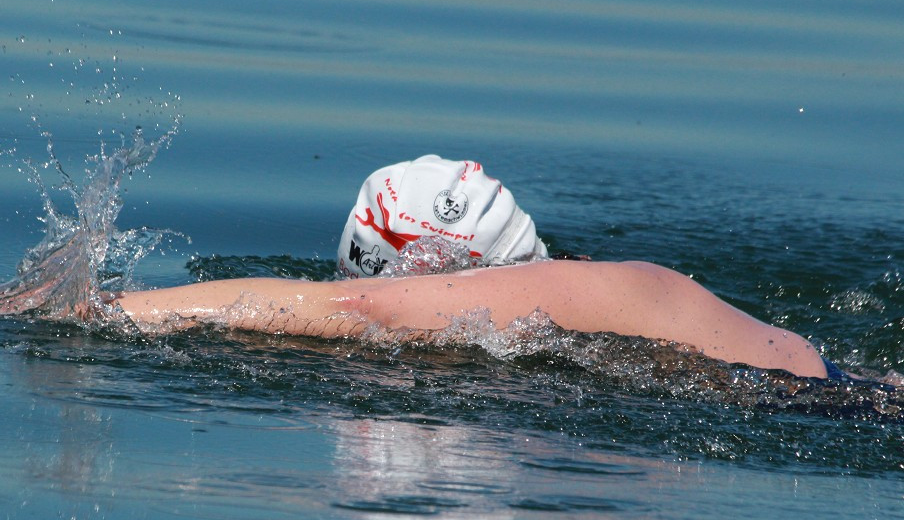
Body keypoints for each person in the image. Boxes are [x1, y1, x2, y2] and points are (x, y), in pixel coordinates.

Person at [110, 155, 832, 379]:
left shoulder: (567, 294)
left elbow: (359, 312)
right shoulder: (597, 290)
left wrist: (103, 312)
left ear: (439, 273)